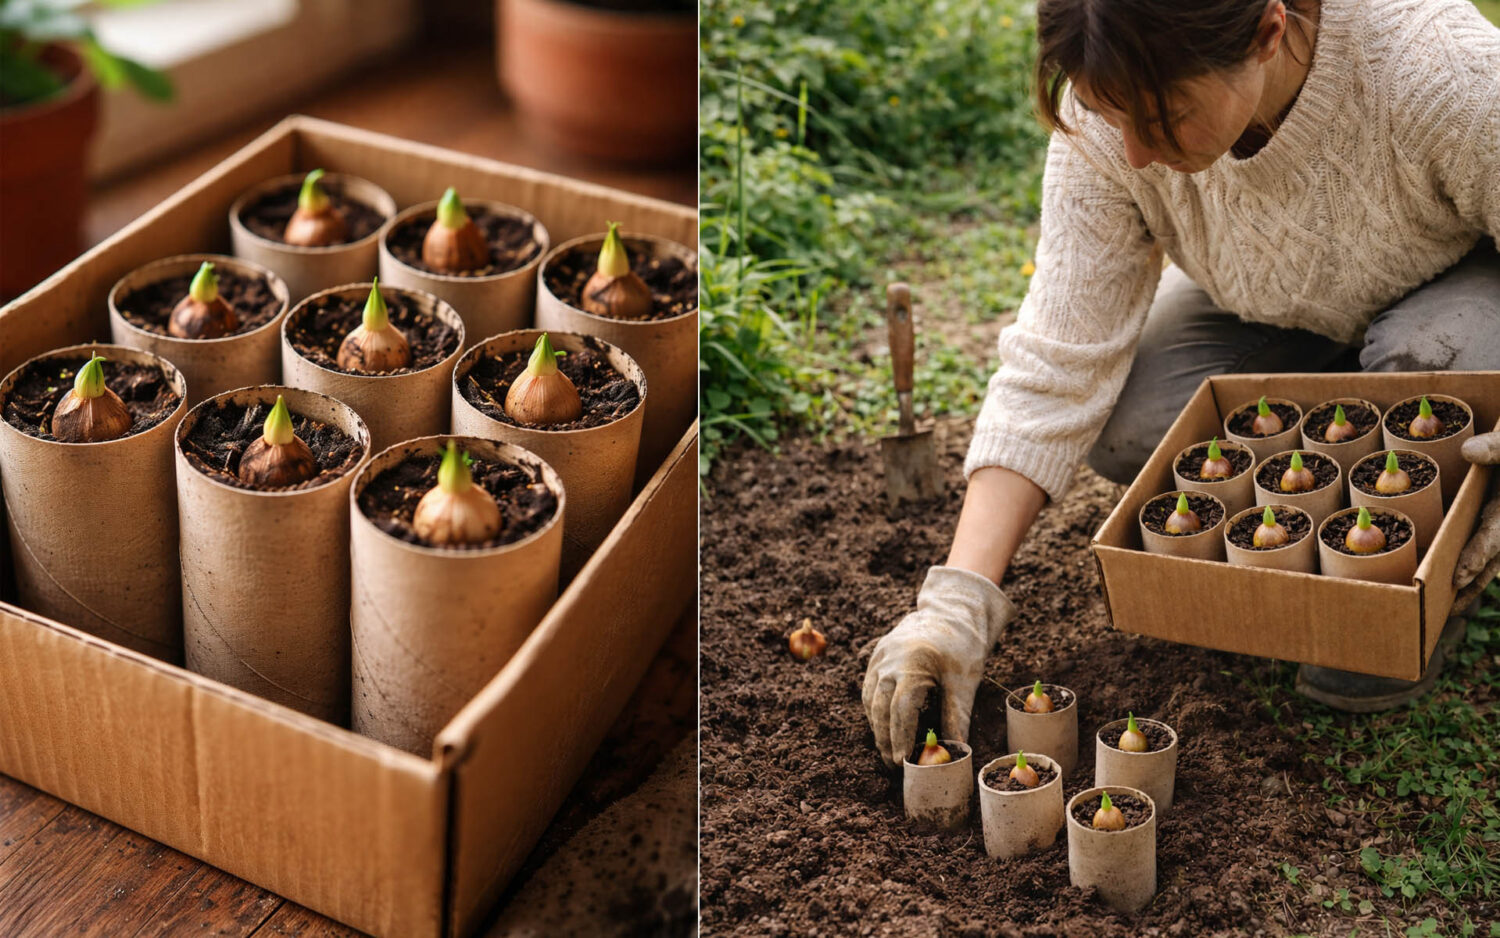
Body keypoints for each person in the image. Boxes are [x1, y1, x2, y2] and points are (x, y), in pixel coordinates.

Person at [863, 0, 1500, 767]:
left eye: (1162, 117)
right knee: (1138, 421)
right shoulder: (1109, 110)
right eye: (1110, 114)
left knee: (1425, 375)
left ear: (1268, 33)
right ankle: (1338, 459)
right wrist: (956, 601)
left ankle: (1413, 585)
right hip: (1272, 309)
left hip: (1453, 292)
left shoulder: (1443, 75)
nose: (1131, 153)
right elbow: (1059, 360)